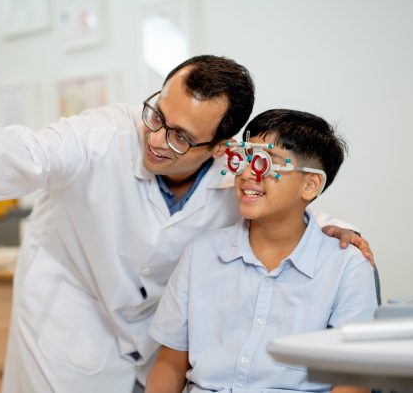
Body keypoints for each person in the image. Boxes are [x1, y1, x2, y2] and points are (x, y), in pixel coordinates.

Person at [0, 55, 373, 393]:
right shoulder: (103, 136)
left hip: (146, 329)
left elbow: (283, 196)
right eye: (157, 115)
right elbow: (25, 153)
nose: (155, 139)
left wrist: (335, 227)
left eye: (178, 137)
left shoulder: (233, 171)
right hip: (66, 310)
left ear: (219, 149)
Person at [145, 109, 377, 393]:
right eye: (244, 158)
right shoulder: (201, 254)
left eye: (267, 163)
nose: (247, 173)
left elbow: (351, 381)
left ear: (310, 184)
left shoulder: (347, 266)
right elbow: (170, 362)